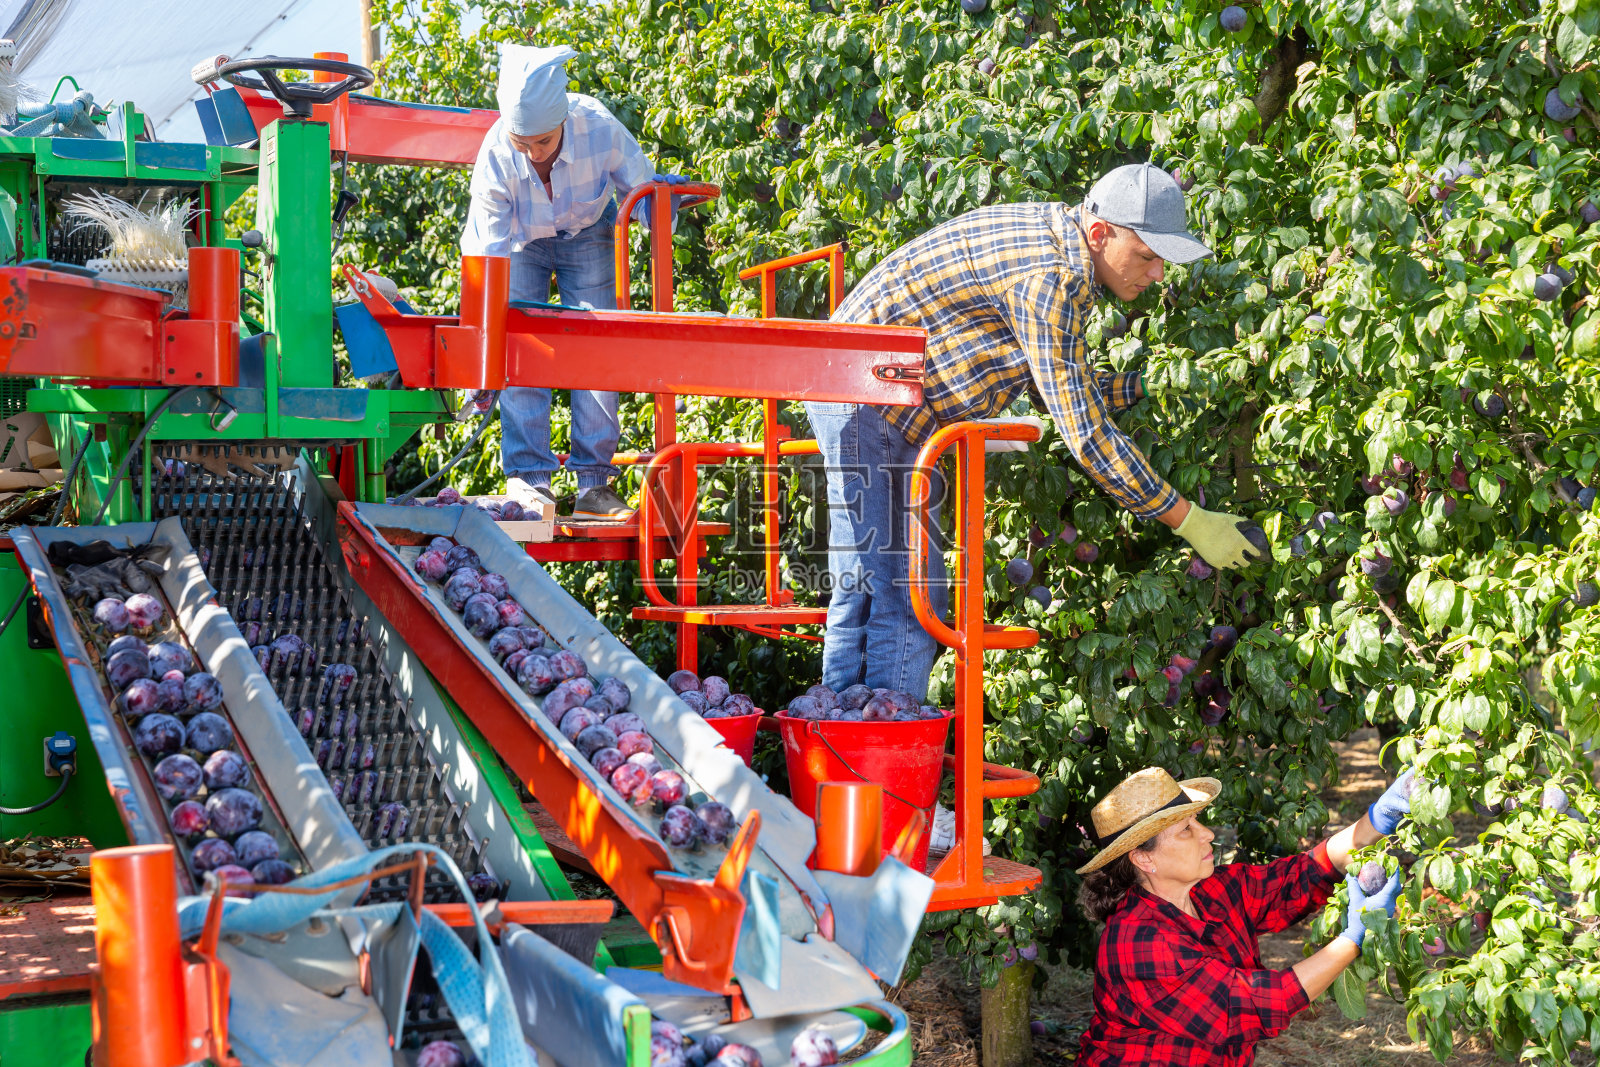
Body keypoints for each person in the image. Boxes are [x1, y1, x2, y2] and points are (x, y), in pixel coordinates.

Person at [806, 163, 1266, 705]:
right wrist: (1188, 519)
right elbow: (1085, 432)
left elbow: (1061, 386)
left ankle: (838, 726)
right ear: (1100, 232)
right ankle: (883, 744)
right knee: (908, 597)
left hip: (862, 389)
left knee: (866, 585)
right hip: (872, 396)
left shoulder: (1054, 244)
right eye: (1147, 255)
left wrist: (1150, 384)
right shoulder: (1052, 278)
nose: (1158, 273)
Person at [462, 44, 687, 520]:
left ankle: (593, 486)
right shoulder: (496, 156)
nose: (533, 153)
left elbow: (641, 191)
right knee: (520, 348)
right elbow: (488, 254)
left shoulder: (599, 127)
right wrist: (483, 350)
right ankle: (530, 482)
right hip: (520, 241)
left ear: (563, 119)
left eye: (543, 141)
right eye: (522, 143)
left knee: (597, 348)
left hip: (587, 231)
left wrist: (661, 204)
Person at [1073, 767, 1413, 1066]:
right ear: (1144, 859)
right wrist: (1353, 938)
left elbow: (1299, 876)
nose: (1207, 833)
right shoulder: (1138, 943)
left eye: (1197, 821)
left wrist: (1380, 817)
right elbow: (1254, 1004)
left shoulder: (1209, 890)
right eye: (1186, 829)